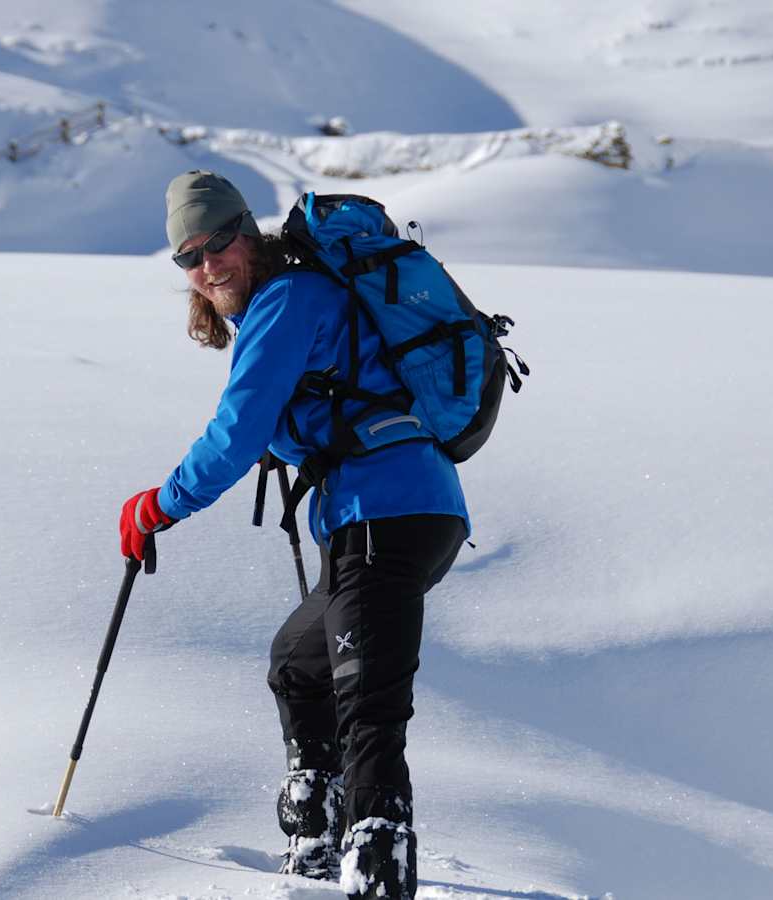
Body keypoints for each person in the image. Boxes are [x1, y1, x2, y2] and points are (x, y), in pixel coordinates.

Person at [118, 170, 469, 900]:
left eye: (220, 241)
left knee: (367, 701)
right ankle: (316, 835)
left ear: (250, 234)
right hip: (398, 511)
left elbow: (236, 431)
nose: (209, 263)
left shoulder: (288, 298)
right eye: (190, 255)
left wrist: (161, 505)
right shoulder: (294, 303)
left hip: (386, 509)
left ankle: (377, 868)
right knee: (299, 663)